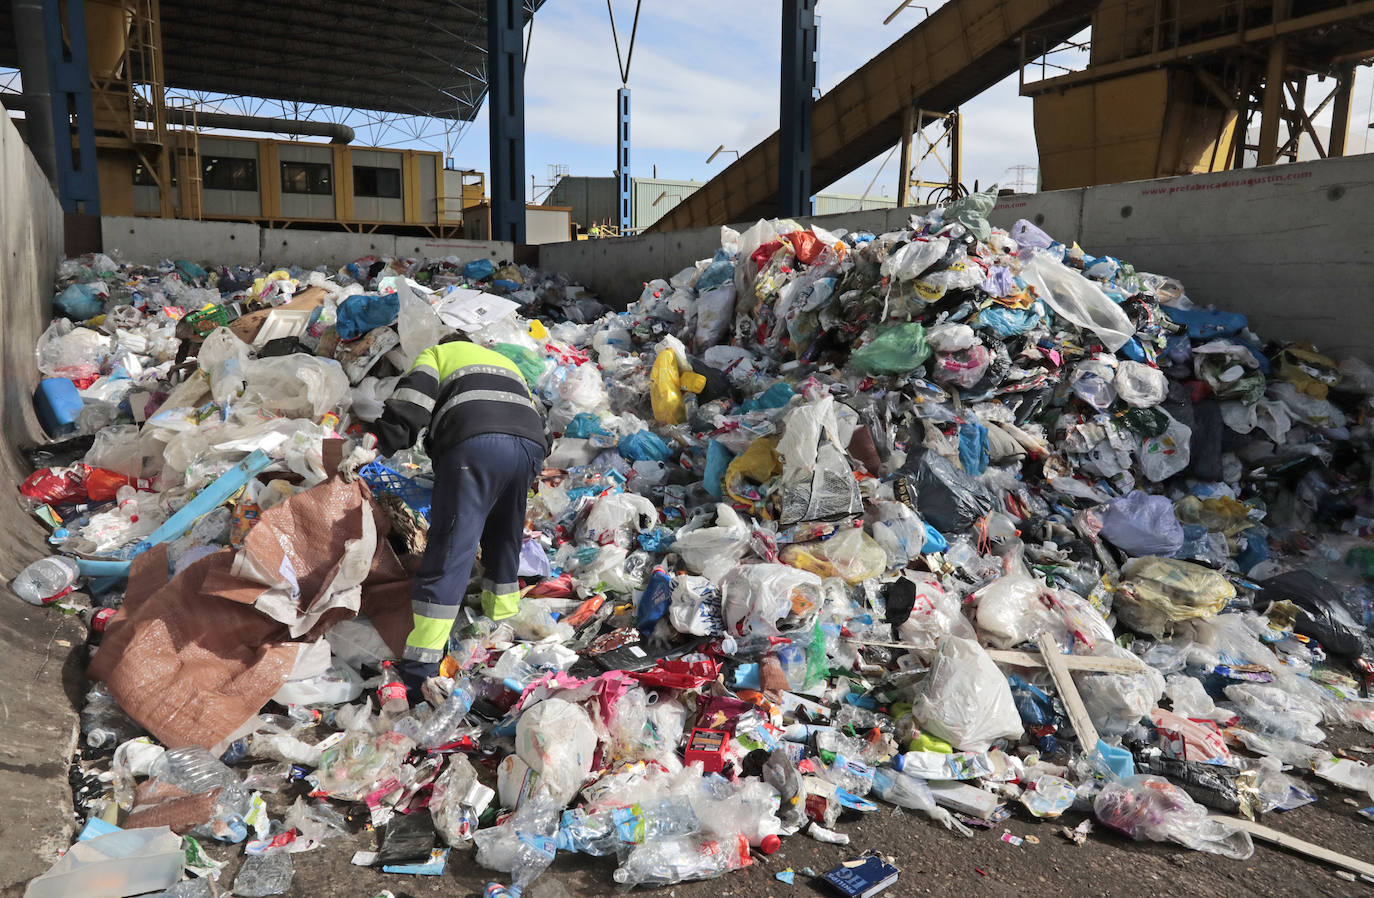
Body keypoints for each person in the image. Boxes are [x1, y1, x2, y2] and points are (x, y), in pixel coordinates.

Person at [369, 332, 547, 694]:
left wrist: (382, 442)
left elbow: (413, 403)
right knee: (504, 535)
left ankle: (421, 666)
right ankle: (500, 627)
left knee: (452, 549)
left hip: (476, 445)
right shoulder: (506, 363)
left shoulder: (437, 353)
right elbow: (534, 416)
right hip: (529, 448)